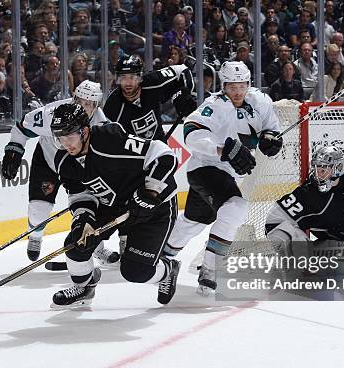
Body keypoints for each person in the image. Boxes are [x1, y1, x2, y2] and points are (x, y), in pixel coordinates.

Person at [163, 61, 283, 295]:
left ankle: (163, 256)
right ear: (223, 85)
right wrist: (221, 150)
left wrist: (271, 139)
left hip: (228, 175)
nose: (237, 91)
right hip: (204, 168)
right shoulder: (214, 105)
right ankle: (210, 268)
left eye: (242, 86)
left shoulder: (261, 102)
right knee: (237, 206)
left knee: (194, 221)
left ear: (248, 84)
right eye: (231, 86)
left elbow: (272, 128)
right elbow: (191, 133)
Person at [49, 103, 181, 308]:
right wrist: (84, 219)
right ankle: (85, 287)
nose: (66, 144)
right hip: (114, 206)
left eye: (70, 136)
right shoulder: (64, 160)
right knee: (76, 243)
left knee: (135, 272)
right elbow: (79, 194)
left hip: (155, 207)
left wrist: (151, 191)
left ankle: (167, 269)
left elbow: (162, 154)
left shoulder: (109, 139)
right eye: (60, 138)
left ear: (84, 131)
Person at [1, 80, 119, 265]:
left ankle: (97, 248)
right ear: (73, 99)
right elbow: (21, 128)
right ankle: (36, 235)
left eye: (88, 104)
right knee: (39, 210)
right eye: (80, 101)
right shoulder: (51, 114)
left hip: (78, 168)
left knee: (88, 210)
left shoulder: (101, 124)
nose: (83, 107)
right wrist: (13, 150)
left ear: (96, 106)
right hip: (48, 162)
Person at [103, 55, 197, 142]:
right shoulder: (113, 105)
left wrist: (186, 95)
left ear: (140, 77)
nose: (128, 83)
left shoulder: (153, 81)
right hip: (133, 155)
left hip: (160, 147)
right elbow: (106, 138)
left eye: (132, 77)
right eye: (123, 78)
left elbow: (182, 70)